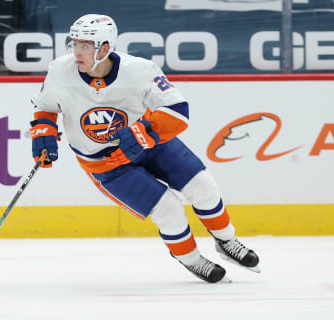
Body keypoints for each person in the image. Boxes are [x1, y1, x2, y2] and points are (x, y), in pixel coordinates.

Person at [29, 14, 260, 283]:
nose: (76, 52)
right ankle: (192, 260)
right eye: (74, 44)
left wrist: (141, 133)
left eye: (85, 46)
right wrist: (43, 132)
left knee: (203, 186)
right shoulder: (60, 71)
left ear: (104, 48)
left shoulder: (139, 70)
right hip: (106, 164)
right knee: (169, 209)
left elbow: (178, 110)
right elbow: (45, 106)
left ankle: (227, 241)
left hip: (150, 145)